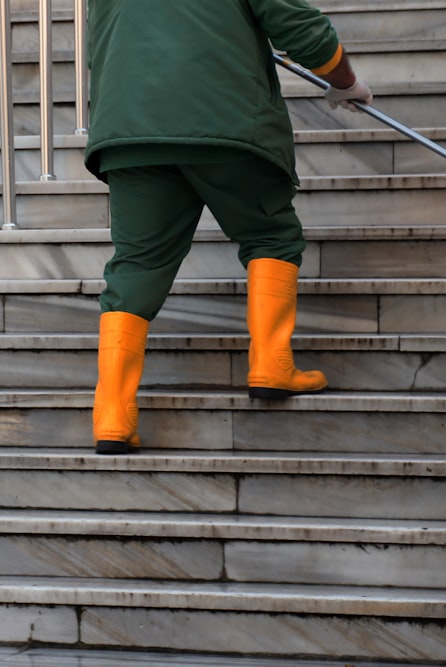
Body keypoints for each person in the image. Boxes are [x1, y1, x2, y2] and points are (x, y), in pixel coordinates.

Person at [85, 0, 373, 455]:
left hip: (131, 128)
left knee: (136, 266)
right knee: (271, 235)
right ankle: (271, 364)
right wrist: (347, 83)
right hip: (225, 120)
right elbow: (300, 27)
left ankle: (113, 415)